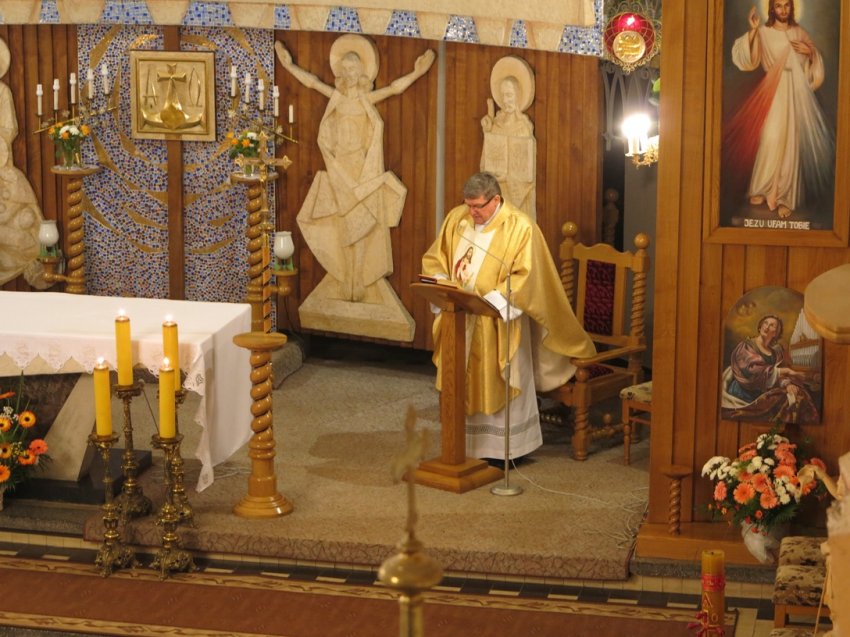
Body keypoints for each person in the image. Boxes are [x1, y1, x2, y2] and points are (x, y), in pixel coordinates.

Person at [421, 172, 595, 462]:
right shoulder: (457, 219)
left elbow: (528, 277)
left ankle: (508, 451)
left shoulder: (520, 227)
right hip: (460, 318)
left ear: (496, 200)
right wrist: (440, 283)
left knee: (502, 380)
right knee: (460, 379)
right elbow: (435, 258)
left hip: (500, 321)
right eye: (468, 205)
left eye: (478, 206)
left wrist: (490, 301)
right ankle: (464, 446)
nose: (472, 213)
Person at [275, 36, 435, 304]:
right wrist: (289, 66)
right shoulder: (337, 98)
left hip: (361, 167)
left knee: (360, 221)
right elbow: (312, 83)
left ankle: (357, 275)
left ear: (362, 72)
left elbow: (394, 89)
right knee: (344, 222)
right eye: (345, 69)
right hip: (339, 166)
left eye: (353, 69)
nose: (349, 73)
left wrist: (417, 72)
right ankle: (347, 274)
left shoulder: (365, 100)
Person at [725, 0, 834, 219]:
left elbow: (814, 66)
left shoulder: (799, 32)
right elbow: (748, 60)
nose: (783, 10)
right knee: (771, 137)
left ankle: (785, 196)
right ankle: (763, 187)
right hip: (774, 91)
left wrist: (811, 53)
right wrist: (753, 31)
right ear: (772, 9)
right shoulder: (764, 33)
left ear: (792, 8)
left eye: (786, 5)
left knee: (790, 143)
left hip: (795, 92)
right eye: (778, 6)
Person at [721, 314, 819, 423]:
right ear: (760, 327)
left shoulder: (774, 354)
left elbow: (773, 378)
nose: (767, 327)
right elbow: (752, 371)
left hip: (762, 395)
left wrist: (787, 384)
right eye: (765, 323)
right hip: (743, 394)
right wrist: (788, 371)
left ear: (776, 333)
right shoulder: (746, 346)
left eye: (772, 325)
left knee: (797, 396)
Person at [480, 56, 537, 220]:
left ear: (518, 95)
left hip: (516, 200)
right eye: (503, 95)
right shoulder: (495, 126)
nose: (505, 101)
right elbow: (485, 163)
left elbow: (527, 176)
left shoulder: (523, 129)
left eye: (510, 95)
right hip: (495, 194)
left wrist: (507, 178)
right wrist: (487, 134)